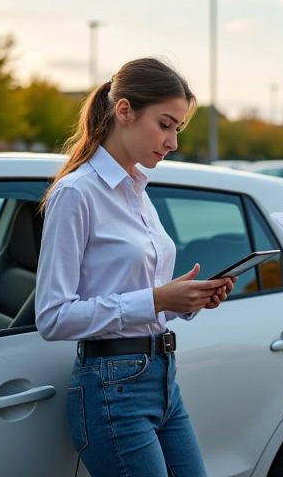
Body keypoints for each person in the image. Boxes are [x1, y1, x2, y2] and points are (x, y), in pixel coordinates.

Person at [35, 57, 235, 477]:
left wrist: (185, 300)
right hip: (112, 388)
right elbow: (52, 317)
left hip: (163, 378)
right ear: (124, 111)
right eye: (165, 125)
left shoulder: (138, 190)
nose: (173, 142)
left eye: (177, 129)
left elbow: (140, 293)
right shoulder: (76, 193)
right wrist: (157, 298)